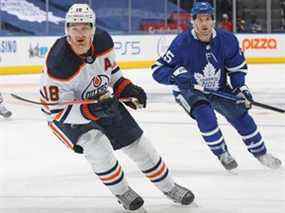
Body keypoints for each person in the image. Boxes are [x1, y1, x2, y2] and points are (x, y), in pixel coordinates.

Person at [39, 3, 194, 212]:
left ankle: (169, 187)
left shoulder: (103, 41)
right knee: (97, 146)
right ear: (66, 29)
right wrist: (92, 111)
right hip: (66, 116)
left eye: (84, 27)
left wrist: (126, 88)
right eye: (74, 28)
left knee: (139, 144)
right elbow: (59, 111)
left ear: (93, 29)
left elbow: (111, 73)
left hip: (101, 101)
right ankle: (122, 192)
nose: (79, 33)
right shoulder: (59, 63)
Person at [152, 2, 282, 171]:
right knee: (204, 113)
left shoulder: (227, 40)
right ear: (192, 21)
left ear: (213, 21)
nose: (204, 24)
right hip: (190, 91)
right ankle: (222, 153)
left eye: (207, 19)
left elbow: (236, 70)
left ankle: (261, 153)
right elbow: (158, 70)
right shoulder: (181, 43)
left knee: (241, 116)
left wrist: (241, 89)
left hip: (219, 89)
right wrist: (176, 76)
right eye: (200, 20)